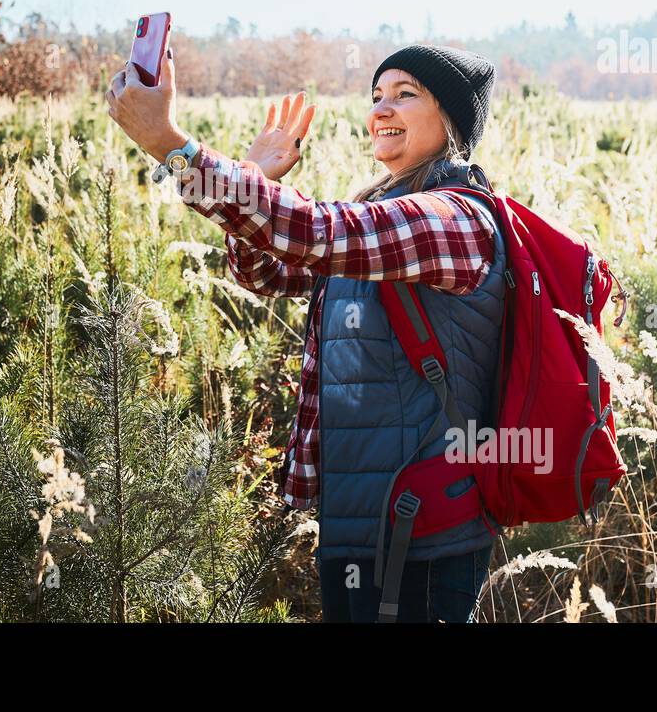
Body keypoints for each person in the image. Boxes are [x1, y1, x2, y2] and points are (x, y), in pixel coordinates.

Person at [106, 43, 504, 623]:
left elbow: (314, 232)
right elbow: (265, 270)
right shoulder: (383, 212)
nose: (382, 110)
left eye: (405, 95)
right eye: (376, 97)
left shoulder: (453, 219)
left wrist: (172, 146)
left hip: (423, 532)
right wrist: (255, 179)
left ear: (451, 122)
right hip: (361, 521)